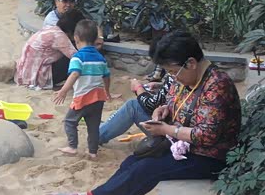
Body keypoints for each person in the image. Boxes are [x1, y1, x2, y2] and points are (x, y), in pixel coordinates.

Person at [49, 31, 241, 195]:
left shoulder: (217, 85)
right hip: (183, 146)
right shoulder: (188, 78)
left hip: (208, 157)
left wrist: (167, 130)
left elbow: (207, 135)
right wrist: (163, 110)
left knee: (148, 168)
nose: (172, 77)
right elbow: (174, 102)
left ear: (191, 63)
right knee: (133, 161)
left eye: (173, 72)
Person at [53, 19, 112, 159]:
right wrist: (107, 91)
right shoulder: (101, 58)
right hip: (99, 98)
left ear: (76, 38)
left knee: (70, 121)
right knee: (93, 127)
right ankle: (92, 152)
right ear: (95, 39)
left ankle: (72, 146)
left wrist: (63, 90)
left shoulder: (77, 57)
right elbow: (107, 76)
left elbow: (74, 74)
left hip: (83, 97)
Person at [99, 40, 175, 144]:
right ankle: (103, 129)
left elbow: (150, 104)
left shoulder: (175, 74)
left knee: (133, 106)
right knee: (134, 105)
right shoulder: (180, 73)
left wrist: (138, 87)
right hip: (172, 128)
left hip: (172, 137)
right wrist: (160, 86)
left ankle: (98, 135)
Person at [15, 8, 85, 90]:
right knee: (75, 59)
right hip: (38, 78)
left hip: (26, 74)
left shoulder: (51, 29)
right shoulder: (60, 37)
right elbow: (78, 57)